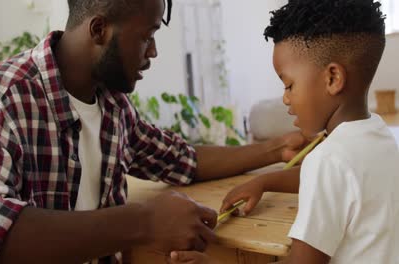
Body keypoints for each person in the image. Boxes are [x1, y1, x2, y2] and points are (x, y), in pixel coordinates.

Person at [0, 0, 306, 263]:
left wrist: (275, 149)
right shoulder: (3, 95)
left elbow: (182, 159)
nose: (154, 51)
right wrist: (143, 222)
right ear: (99, 29)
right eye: (147, 35)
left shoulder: (112, 106)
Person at [171, 0, 399, 263]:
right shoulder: (380, 134)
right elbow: (340, 181)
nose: (286, 99)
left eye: (289, 85)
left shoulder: (327, 160)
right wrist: (265, 182)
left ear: (333, 78)